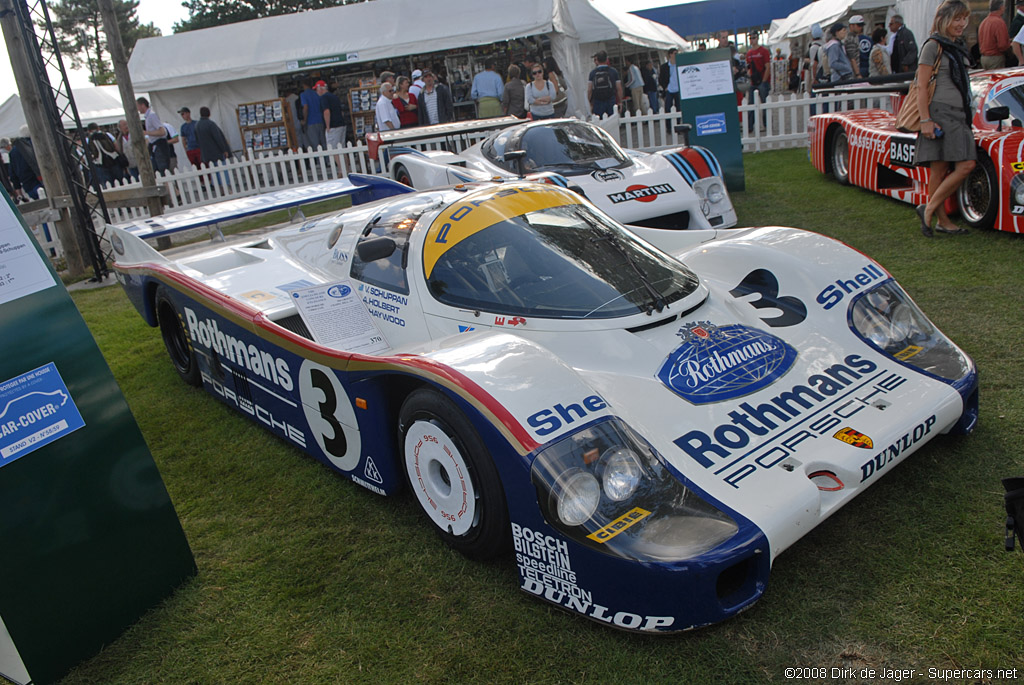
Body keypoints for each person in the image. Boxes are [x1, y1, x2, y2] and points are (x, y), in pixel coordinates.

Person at [912, 0, 975, 238]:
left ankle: (934, 215)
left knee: (944, 169)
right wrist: (926, 120)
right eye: (957, 19)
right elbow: (921, 86)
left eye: (964, 19)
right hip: (940, 113)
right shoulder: (933, 46)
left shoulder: (956, 46)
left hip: (958, 113)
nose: (962, 24)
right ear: (944, 19)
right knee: (960, 165)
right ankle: (936, 216)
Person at [8, 125, 43, 200]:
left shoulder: (13, 152)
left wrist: (19, 193)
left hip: (28, 186)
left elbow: (13, 174)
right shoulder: (35, 144)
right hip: (40, 182)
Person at [136, 97, 169, 172]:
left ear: (143, 105)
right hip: (154, 144)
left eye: (138, 106)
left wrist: (147, 133)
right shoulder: (147, 117)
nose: (137, 109)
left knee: (163, 169)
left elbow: (162, 131)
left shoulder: (151, 115)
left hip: (159, 144)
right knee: (157, 169)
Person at [746, 33, 771, 131]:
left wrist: (764, 81)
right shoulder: (749, 53)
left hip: (762, 80)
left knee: (765, 104)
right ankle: (750, 126)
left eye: (753, 38)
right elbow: (749, 67)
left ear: (757, 38)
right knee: (751, 104)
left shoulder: (764, 51)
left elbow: (767, 66)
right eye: (750, 38)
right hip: (753, 82)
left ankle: (767, 124)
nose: (752, 40)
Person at [86, 122, 122, 187]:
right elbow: (115, 145)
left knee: (107, 183)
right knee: (120, 180)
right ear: (98, 128)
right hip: (113, 159)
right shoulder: (107, 134)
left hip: (100, 163)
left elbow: (91, 152)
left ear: (89, 131)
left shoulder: (89, 139)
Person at [588, 50, 623, 118]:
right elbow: (619, 88)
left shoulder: (592, 73)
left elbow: (589, 90)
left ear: (597, 60)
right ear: (607, 59)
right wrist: (620, 102)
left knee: (599, 122)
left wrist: (590, 103)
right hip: (611, 100)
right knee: (612, 120)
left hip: (598, 101)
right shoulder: (613, 71)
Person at [979, 0, 1011, 69]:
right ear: (1001, 7)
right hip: (995, 58)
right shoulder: (999, 22)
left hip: (984, 58)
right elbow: (1002, 45)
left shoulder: (984, 22)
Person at [303, 80, 327, 150]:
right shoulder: (317, 93)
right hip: (320, 120)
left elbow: (305, 107)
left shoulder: (303, 95)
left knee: (315, 144)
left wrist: (304, 120)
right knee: (324, 142)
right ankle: (328, 160)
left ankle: (319, 161)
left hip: (311, 121)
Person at [658, 47, 680, 113]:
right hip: (669, 89)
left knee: (678, 107)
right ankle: (668, 123)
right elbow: (661, 78)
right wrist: (665, 87)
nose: (676, 55)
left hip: (678, 89)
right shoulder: (664, 67)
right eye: (675, 53)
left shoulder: (679, 65)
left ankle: (678, 122)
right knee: (668, 107)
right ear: (670, 54)